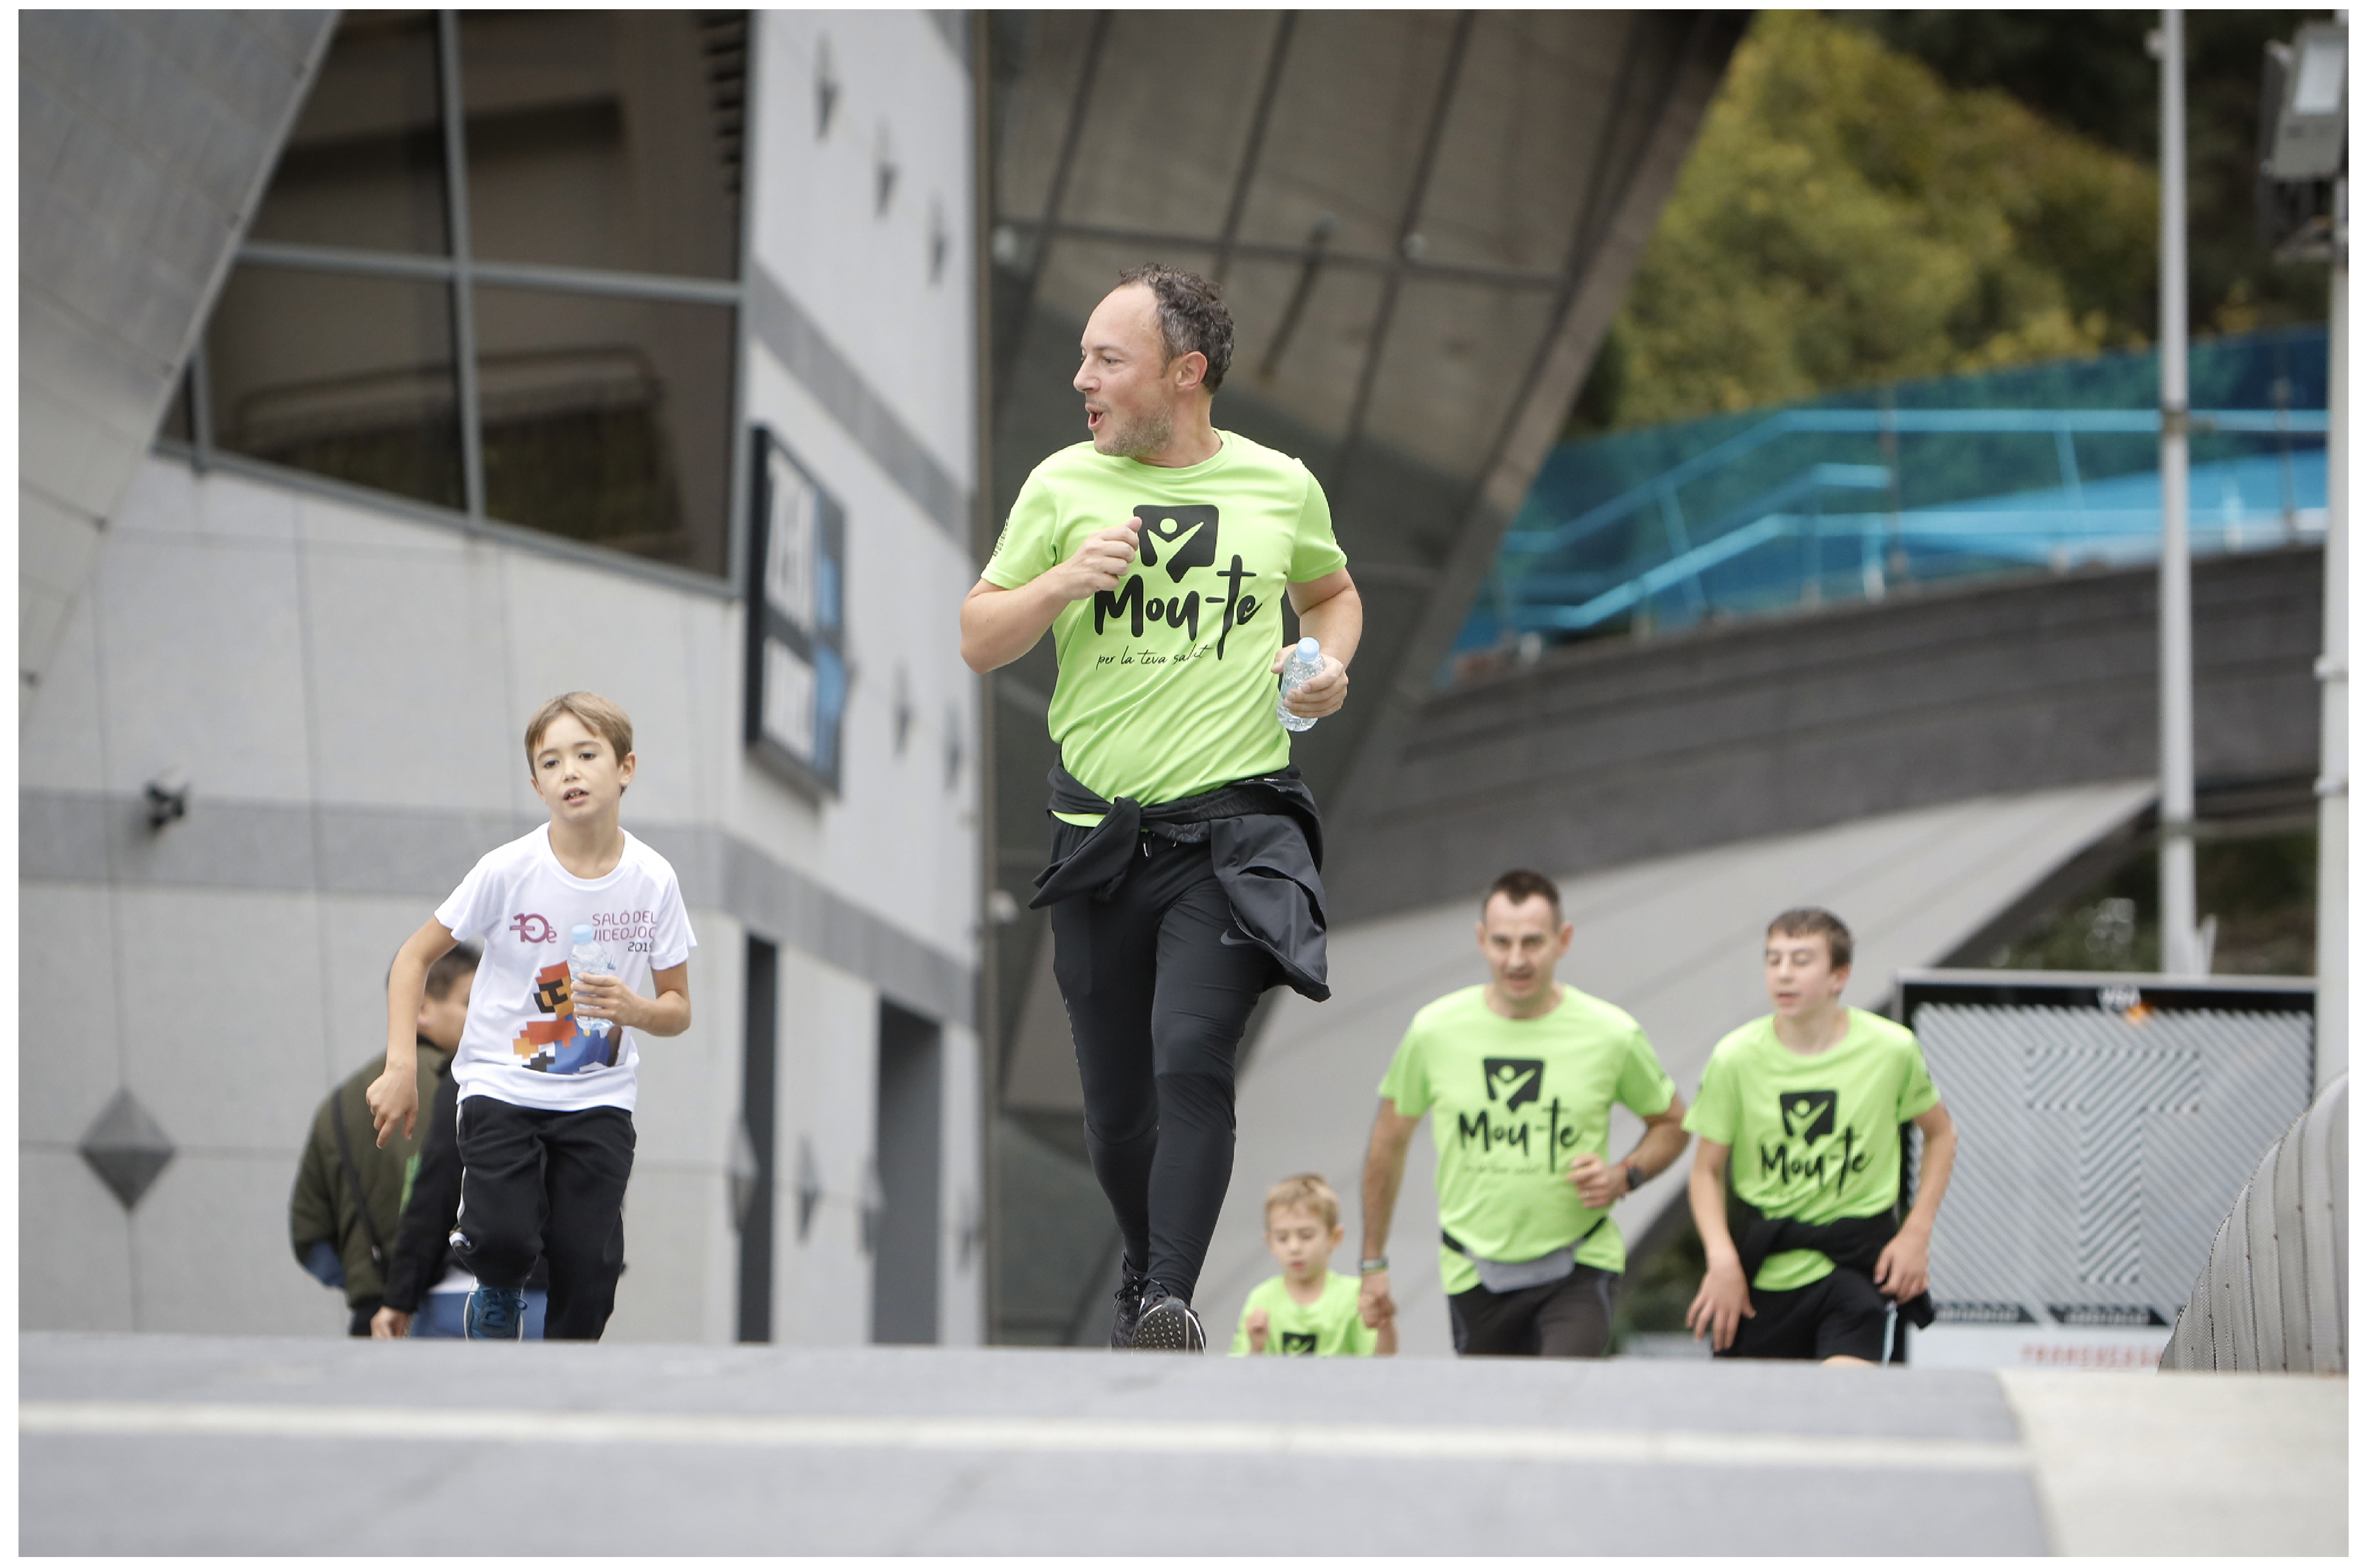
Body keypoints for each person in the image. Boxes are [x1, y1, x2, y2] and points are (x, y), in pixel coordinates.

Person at [961, 264, 1362, 1353]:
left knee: (1191, 1053)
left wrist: (1326, 665)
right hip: (1100, 836)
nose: (1081, 378)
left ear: (1185, 373)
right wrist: (1058, 583)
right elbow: (978, 636)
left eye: (1108, 359)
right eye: (1083, 356)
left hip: (1235, 831)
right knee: (1115, 1102)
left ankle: (1169, 1301)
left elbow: (1331, 592)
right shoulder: (1061, 485)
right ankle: (1146, 1274)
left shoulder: (1280, 485)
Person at [366, 691, 695, 1341]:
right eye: (551, 762)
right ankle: (495, 1289)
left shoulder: (653, 880)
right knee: (505, 1238)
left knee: (589, 1268)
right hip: (501, 1083)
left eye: (587, 755)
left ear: (626, 768)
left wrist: (637, 1010)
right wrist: (401, 1066)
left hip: (598, 1094)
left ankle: (565, 1380)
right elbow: (414, 958)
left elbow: (678, 1008)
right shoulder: (508, 870)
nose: (570, 771)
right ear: (537, 784)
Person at [1359, 869, 1690, 1358]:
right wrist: (1372, 1264)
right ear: (1481, 940)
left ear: (1563, 940)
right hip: (1473, 1270)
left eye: (1533, 942)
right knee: (1496, 1405)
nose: (1516, 959)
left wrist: (1625, 1175)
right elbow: (1388, 1141)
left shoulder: (1611, 1034)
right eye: (1503, 942)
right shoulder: (1434, 1031)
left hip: (1579, 1264)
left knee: (1557, 1391)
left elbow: (1674, 1123)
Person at [1682, 908, 1957, 1365]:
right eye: (1774, 959)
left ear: (1839, 976)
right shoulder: (1734, 1057)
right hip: (1763, 1274)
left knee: (1843, 1399)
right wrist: (1722, 1259)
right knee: (1759, 1410)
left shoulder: (1891, 1049)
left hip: (1853, 1268)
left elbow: (1942, 1134)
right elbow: (1705, 1171)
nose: (1784, 973)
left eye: (1801, 959)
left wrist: (1916, 1232)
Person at [291, 944, 478, 1334]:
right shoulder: (469, 1090)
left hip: (373, 1317)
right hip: (447, 1309)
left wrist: (367, 1281)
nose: (487, 1014)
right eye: (471, 1002)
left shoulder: (339, 1104)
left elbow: (309, 1232)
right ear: (421, 1008)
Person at [370, 1032, 553, 1340]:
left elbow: (435, 1194)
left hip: (464, 1293)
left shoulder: (473, 1076)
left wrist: (399, 1298)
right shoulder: (589, 1080)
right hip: (552, 1300)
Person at [1231, 1173, 1396, 1357]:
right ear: (1269, 1242)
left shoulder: (1354, 1296)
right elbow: (1239, 1370)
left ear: (1335, 1237)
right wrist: (1256, 1348)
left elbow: (1381, 1362)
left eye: (1306, 1236)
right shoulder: (1261, 1299)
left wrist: (1384, 1324)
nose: (1294, 1248)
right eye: (1282, 1238)